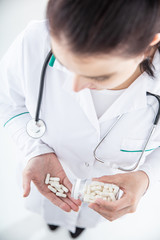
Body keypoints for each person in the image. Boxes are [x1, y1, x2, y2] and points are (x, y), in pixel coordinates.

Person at [0, 0, 160, 238]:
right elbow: (9, 101)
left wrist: (146, 176)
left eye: (99, 76)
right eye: (63, 62)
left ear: (147, 47)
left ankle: (78, 228)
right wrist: (35, 150)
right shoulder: (33, 41)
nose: (74, 87)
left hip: (100, 201)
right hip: (41, 185)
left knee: (81, 225)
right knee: (51, 216)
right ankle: (54, 224)